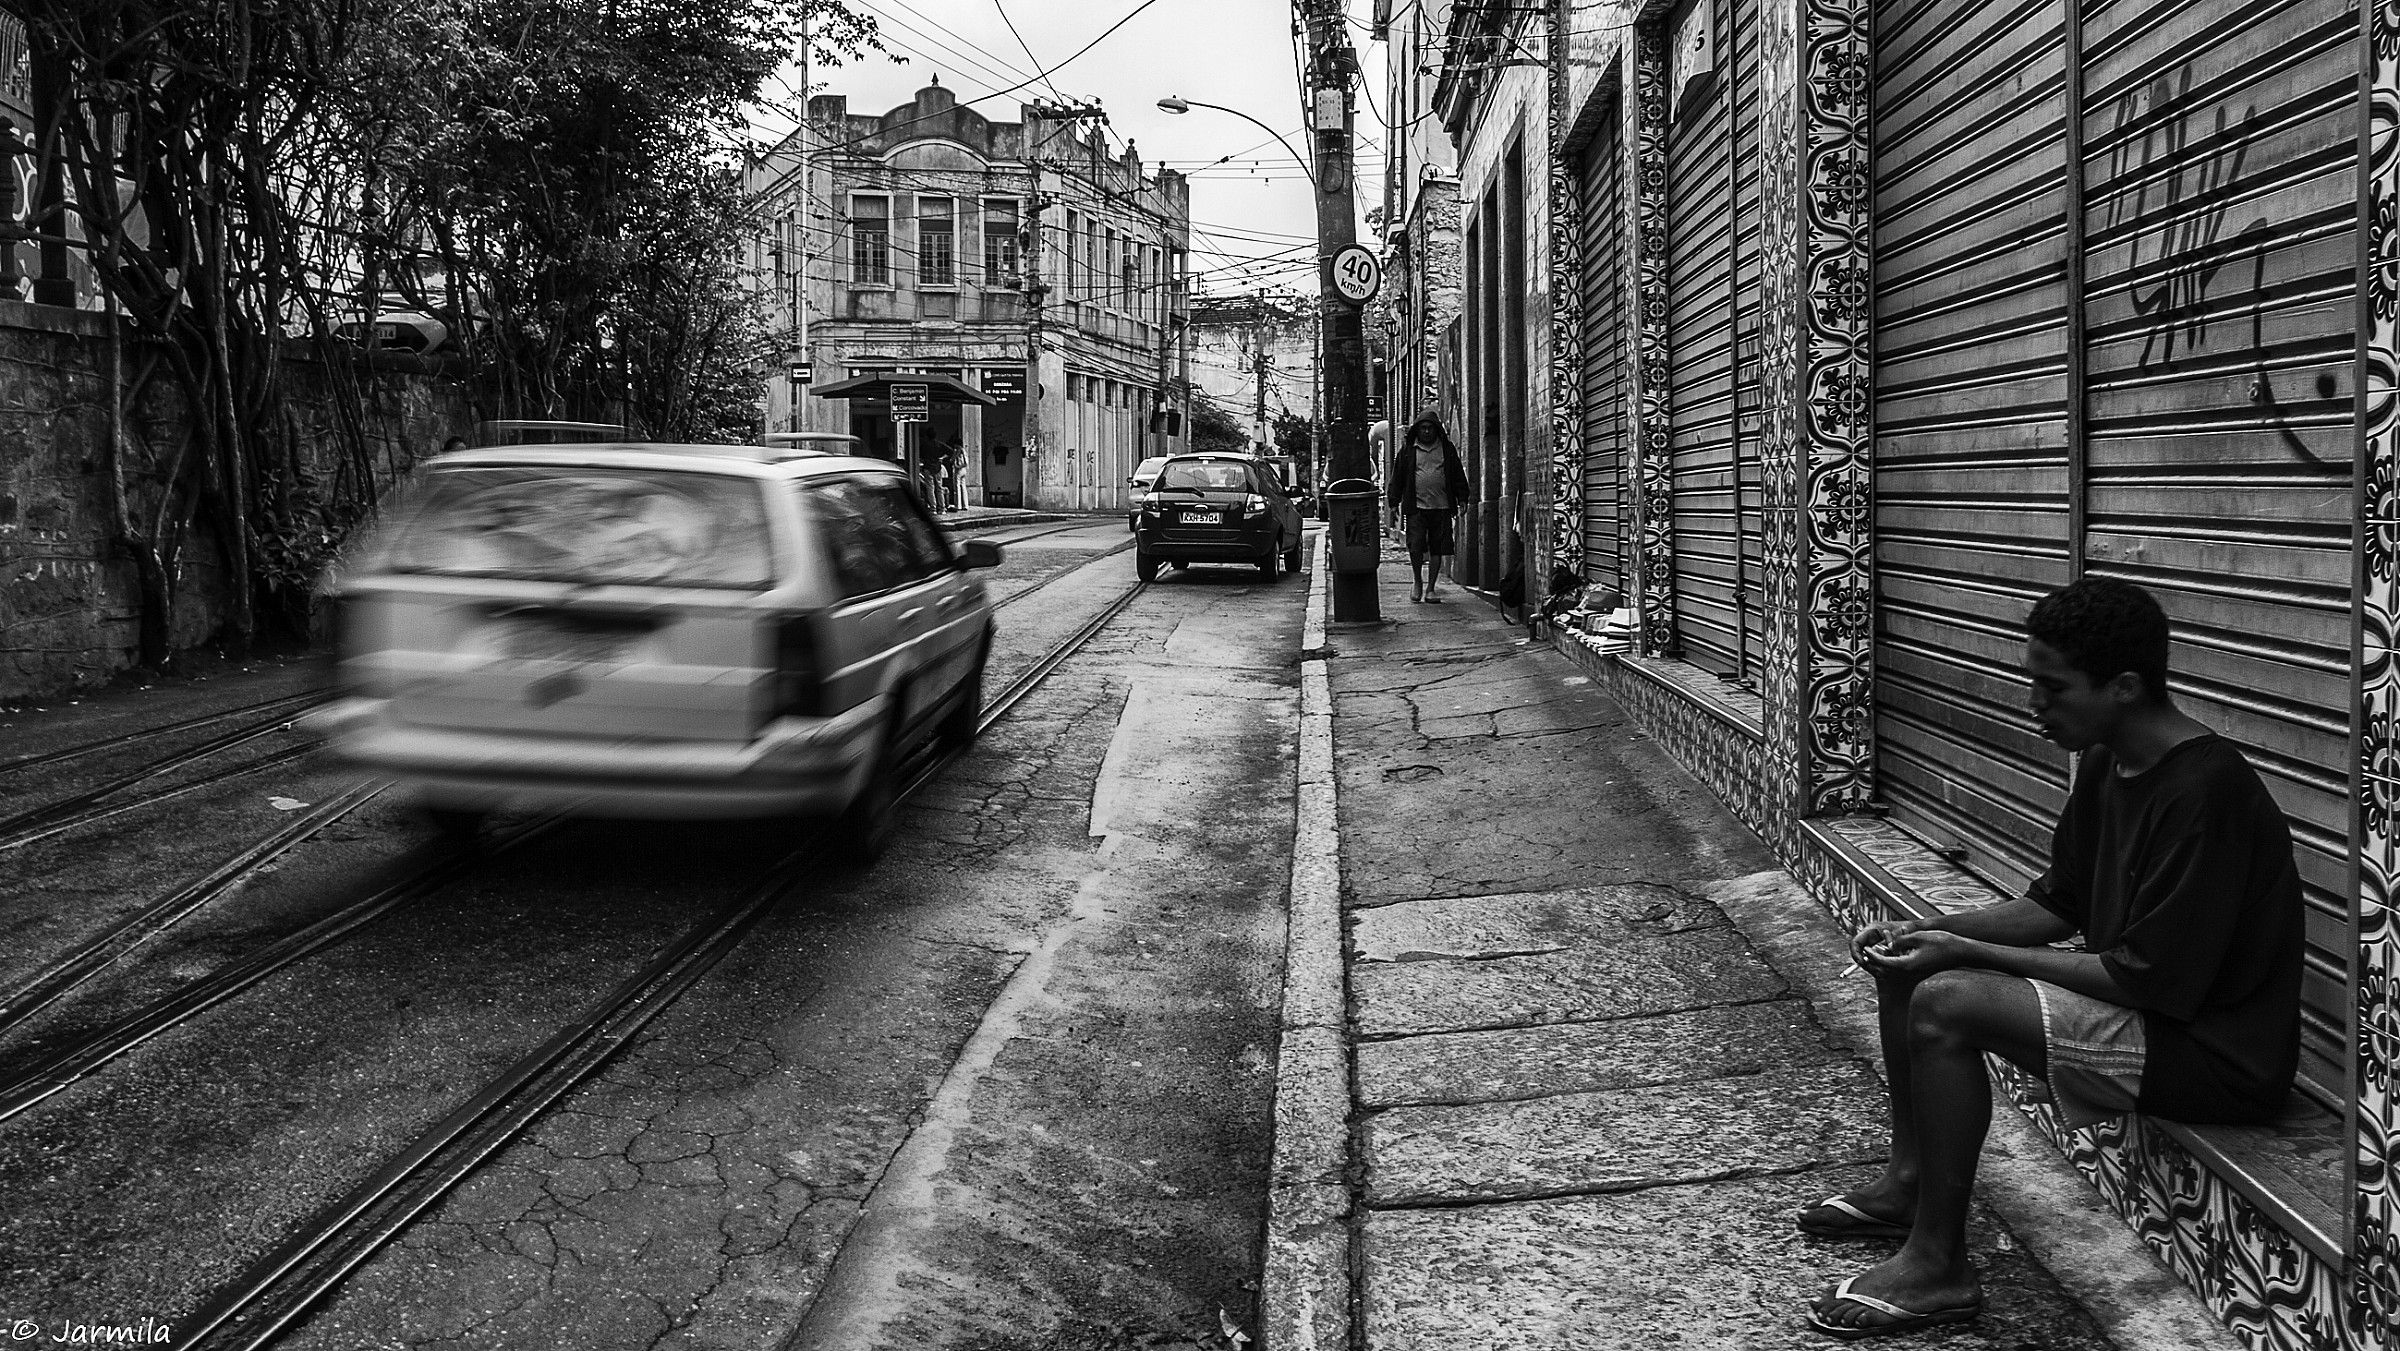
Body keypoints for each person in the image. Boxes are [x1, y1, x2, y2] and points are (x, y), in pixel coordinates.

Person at [1802, 576, 2301, 1340]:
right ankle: (1910, 1186)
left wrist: (1967, 949)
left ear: (2124, 686)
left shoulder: (2205, 792)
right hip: (2145, 1011)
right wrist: (1931, 926)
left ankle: (1939, 1264)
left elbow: (2146, 977)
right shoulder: (2107, 759)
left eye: (2051, 687)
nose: (2034, 703)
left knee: (1947, 1000)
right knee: (1912, 964)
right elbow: (2057, 903)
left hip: (2211, 1053)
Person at [1383, 413, 1470, 603]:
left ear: (1436, 429)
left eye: (1430, 428)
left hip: (1442, 507)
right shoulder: (1408, 450)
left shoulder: (1446, 449)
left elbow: (1457, 474)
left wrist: (1463, 497)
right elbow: (1398, 477)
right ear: (1418, 429)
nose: (1427, 431)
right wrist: (1393, 501)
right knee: (1415, 546)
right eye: (1423, 428)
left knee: (1437, 548)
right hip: (1416, 507)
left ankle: (1431, 588)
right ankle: (1417, 581)